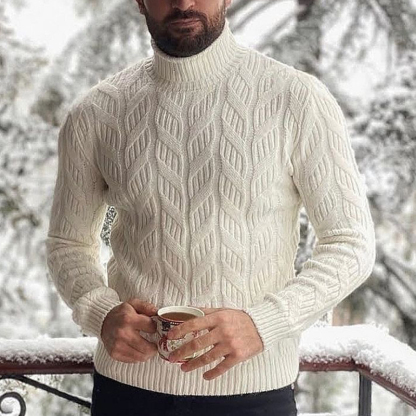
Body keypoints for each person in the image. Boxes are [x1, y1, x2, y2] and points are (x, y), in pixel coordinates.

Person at [45, 0, 376, 415]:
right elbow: (67, 244)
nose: (184, 3)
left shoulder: (297, 99)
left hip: (255, 395)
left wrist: (262, 324)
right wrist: (101, 312)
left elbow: (350, 243)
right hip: (126, 392)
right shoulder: (95, 113)